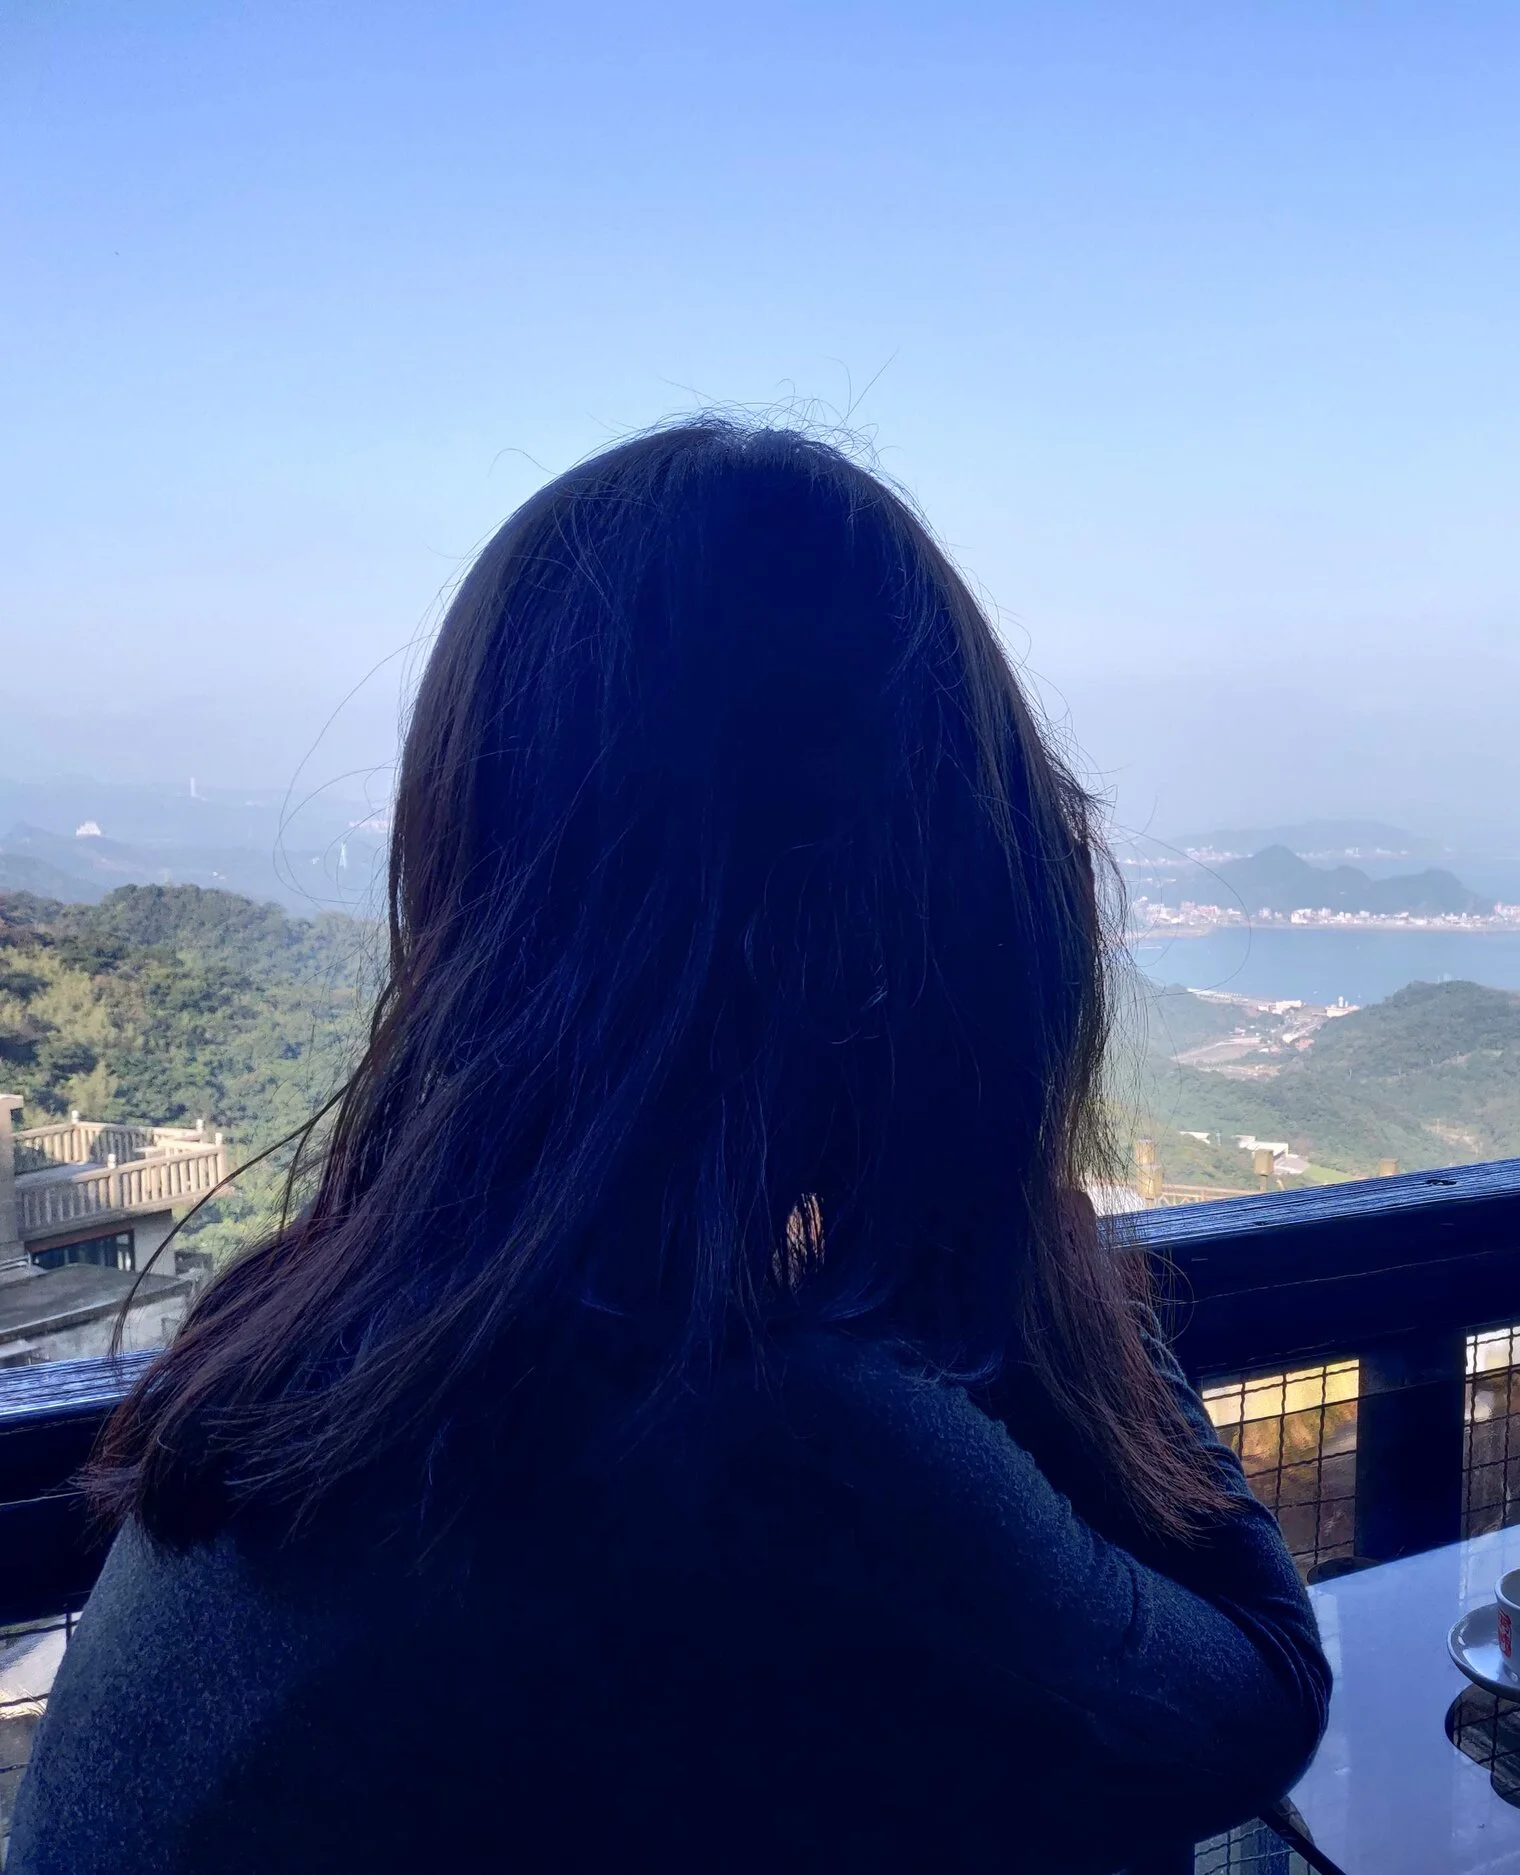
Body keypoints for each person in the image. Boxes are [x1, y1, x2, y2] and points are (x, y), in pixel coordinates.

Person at [11, 422, 1330, 1872]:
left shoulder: (343, 1351)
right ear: (908, 934)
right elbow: (1260, 1684)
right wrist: (1006, 1202)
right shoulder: (744, 1433)